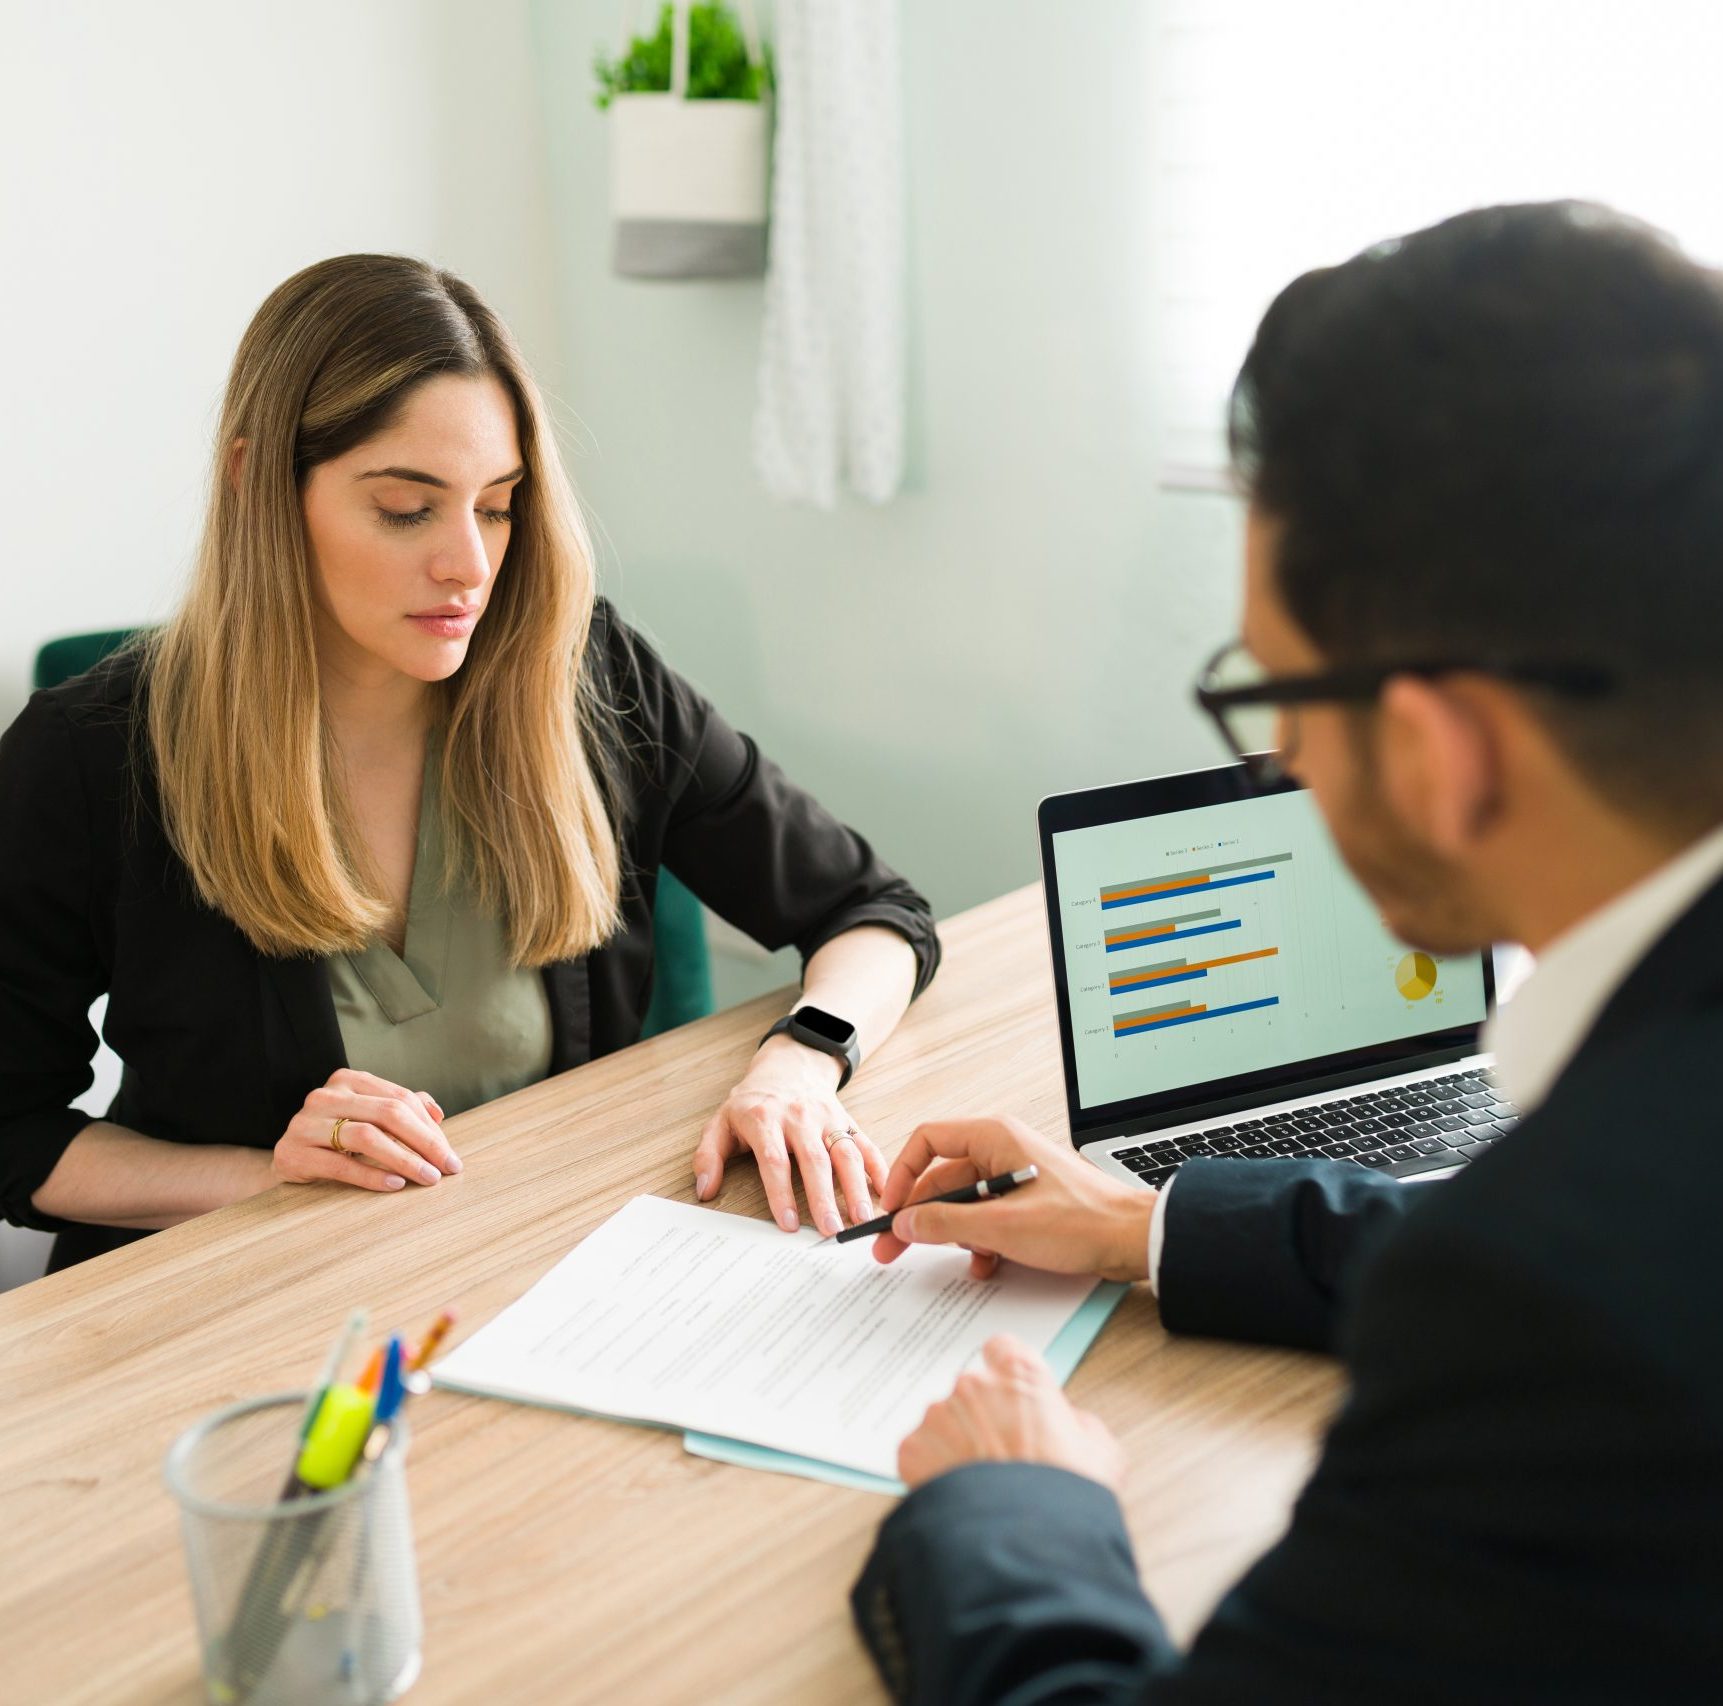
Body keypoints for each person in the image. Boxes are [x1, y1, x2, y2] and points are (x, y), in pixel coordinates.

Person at [852, 202, 1723, 1702]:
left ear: (1439, 747)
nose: (1281, 756)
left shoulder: (1551, 1294)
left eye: (1284, 692)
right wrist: (1147, 1228)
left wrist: (1016, 1506)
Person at [0, 254, 939, 1273]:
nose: (471, 565)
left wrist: (801, 1064)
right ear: (255, 481)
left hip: (535, 1271)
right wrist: (267, 1178)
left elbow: (871, 912)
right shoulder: (90, 756)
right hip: (234, 1294)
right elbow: (11, 1132)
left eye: (496, 504)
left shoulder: (581, 671)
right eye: (407, 507)